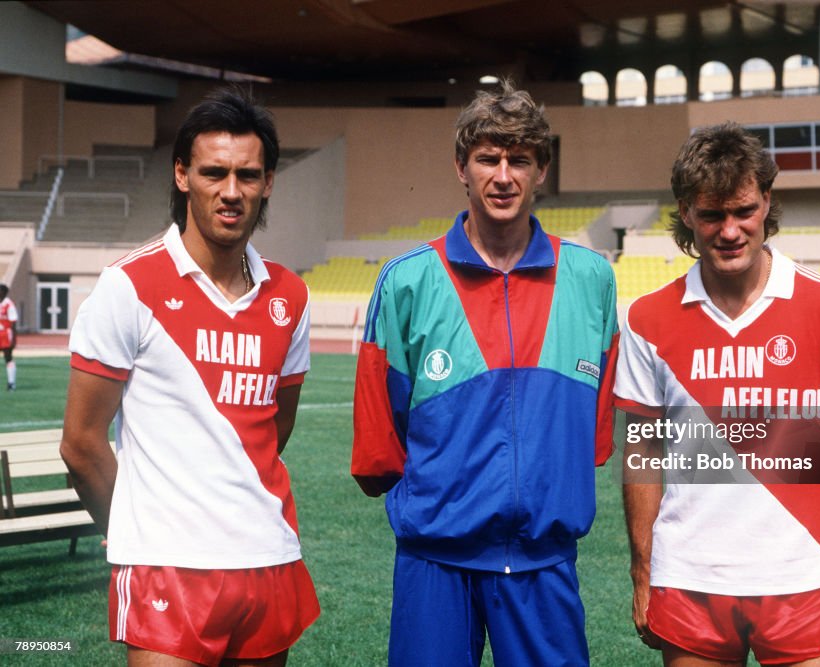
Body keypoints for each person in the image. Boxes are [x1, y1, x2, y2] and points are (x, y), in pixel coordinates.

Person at [351, 80, 619, 667]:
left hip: (544, 563)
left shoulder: (591, 278)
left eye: (519, 159)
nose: (503, 176)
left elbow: (595, 438)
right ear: (461, 167)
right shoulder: (407, 280)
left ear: (540, 170)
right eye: (488, 158)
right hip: (434, 562)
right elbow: (377, 446)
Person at [615, 122, 820, 666]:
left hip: (805, 576)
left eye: (743, 211)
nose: (730, 231)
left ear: (767, 201)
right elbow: (643, 452)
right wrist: (644, 572)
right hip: (689, 578)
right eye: (712, 214)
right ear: (686, 213)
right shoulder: (646, 319)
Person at [60, 86, 319, 666]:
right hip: (167, 569)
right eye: (214, 173)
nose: (232, 192)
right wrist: (132, 529)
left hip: (265, 557)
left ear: (268, 182)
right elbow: (80, 444)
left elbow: (275, 429)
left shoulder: (291, 296)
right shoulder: (130, 286)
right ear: (182, 175)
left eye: (248, 175)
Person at [0, 283, 17, 390]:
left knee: (8, 357)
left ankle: (11, 383)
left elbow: (14, 323)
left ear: (5, 293)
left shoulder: (9, 305)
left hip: (6, 334)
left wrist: (14, 339)